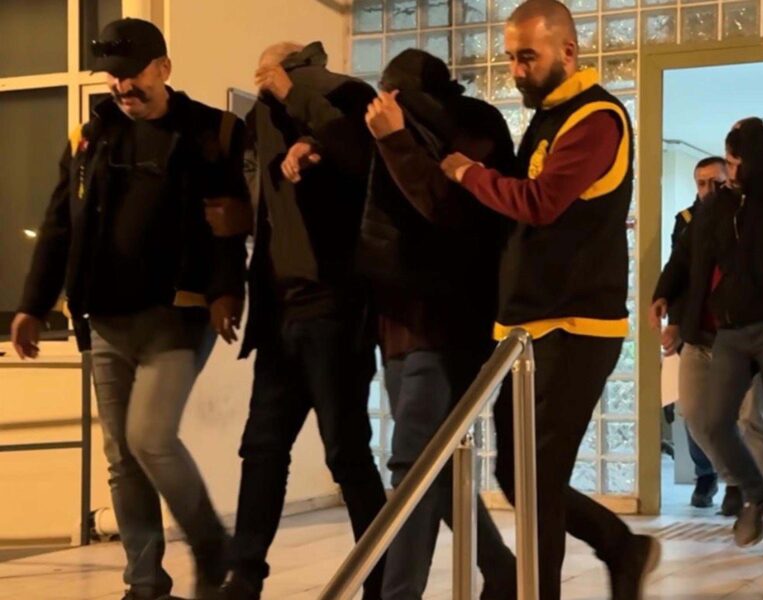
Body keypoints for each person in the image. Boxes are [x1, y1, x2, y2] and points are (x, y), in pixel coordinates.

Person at [10, 18, 248, 600]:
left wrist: (226, 289)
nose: (122, 86)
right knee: (122, 457)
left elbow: (231, 220)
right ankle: (145, 583)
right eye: (113, 76)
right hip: (104, 319)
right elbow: (59, 224)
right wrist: (33, 305)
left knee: (150, 437)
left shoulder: (213, 131)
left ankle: (211, 546)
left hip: (177, 317)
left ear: (163, 68)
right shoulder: (90, 138)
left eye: (133, 73)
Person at [441, 1, 659, 597]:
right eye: (511, 58)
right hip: (528, 327)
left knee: (536, 479)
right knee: (517, 475)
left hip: (575, 326)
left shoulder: (596, 118)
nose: (516, 70)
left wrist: (466, 173)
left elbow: (540, 203)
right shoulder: (549, 116)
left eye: (528, 57)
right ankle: (621, 545)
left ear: (568, 51)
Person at [216, 42, 386, 600]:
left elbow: (361, 156)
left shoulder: (347, 95)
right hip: (278, 314)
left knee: (346, 452)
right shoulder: (261, 120)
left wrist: (299, 100)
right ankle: (244, 575)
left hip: (335, 309)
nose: (262, 78)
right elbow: (261, 207)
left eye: (272, 70)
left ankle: (380, 577)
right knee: (262, 447)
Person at [360, 48, 517, 600]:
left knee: (412, 464)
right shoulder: (384, 128)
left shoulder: (473, 126)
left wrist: (398, 140)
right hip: (397, 320)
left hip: (449, 319)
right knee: (436, 467)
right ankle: (502, 569)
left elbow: (453, 210)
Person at [657, 118, 763, 563]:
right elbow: (686, 255)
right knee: (713, 421)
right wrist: (664, 292)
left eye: (734, 164)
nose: (730, 174)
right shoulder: (717, 207)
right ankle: (754, 494)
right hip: (729, 331)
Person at [650, 156, 763, 512]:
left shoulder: (750, 216)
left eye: (716, 183)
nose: (708, 190)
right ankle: (733, 478)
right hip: (700, 334)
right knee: (696, 415)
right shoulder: (691, 222)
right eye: (701, 184)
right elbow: (679, 266)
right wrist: (667, 305)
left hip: (745, 336)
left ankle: (758, 501)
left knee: (750, 419)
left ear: (730, 179)